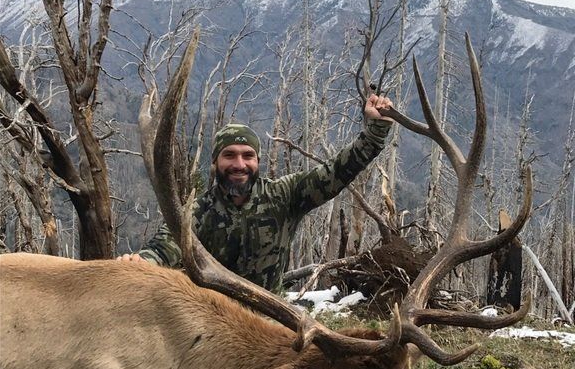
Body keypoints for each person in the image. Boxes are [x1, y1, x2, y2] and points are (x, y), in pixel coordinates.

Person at [122, 94, 394, 292]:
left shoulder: (284, 195)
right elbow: (163, 248)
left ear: (258, 162)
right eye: (229, 155)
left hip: (271, 319)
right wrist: (139, 264)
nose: (239, 164)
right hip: (214, 321)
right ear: (215, 163)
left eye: (247, 156)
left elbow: (337, 172)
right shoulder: (196, 212)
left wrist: (375, 131)